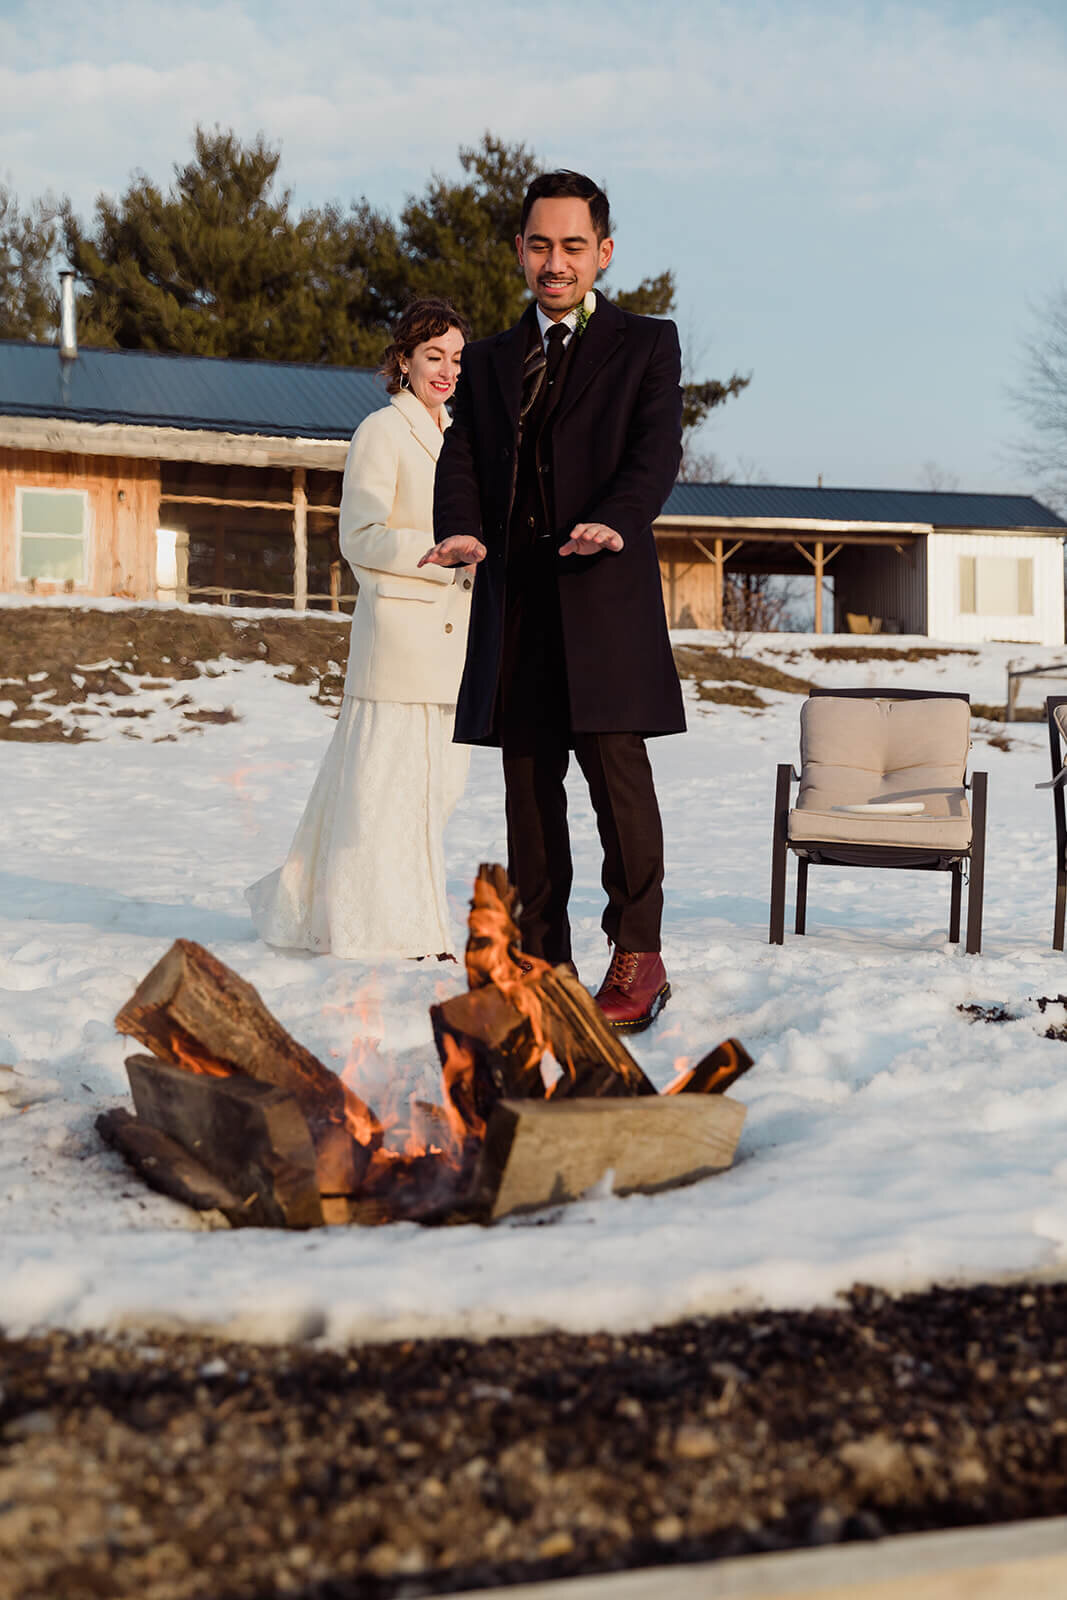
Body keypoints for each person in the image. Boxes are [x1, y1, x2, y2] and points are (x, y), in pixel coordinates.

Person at [421, 171, 685, 1030]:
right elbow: (459, 457)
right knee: (529, 799)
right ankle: (545, 958)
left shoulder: (646, 345)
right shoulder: (491, 360)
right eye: (539, 245)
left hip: (603, 601)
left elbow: (653, 455)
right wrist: (461, 528)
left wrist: (614, 520)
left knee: (619, 790)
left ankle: (637, 956)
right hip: (522, 607)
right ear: (519, 252)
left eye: (573, 246)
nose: (555, 262)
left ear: (602, 253)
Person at [248, 297, 477, 960]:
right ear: (402, 360)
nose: (445, 370)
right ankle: (389, 934)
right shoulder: (381, 431)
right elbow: (362, 535)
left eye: (456, 359)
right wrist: (445, 551)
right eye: (432, 356)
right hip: (401, 645)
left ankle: (398, 922)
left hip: (458, 648)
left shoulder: (459, 438)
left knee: (437, 796)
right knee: (386, 796)